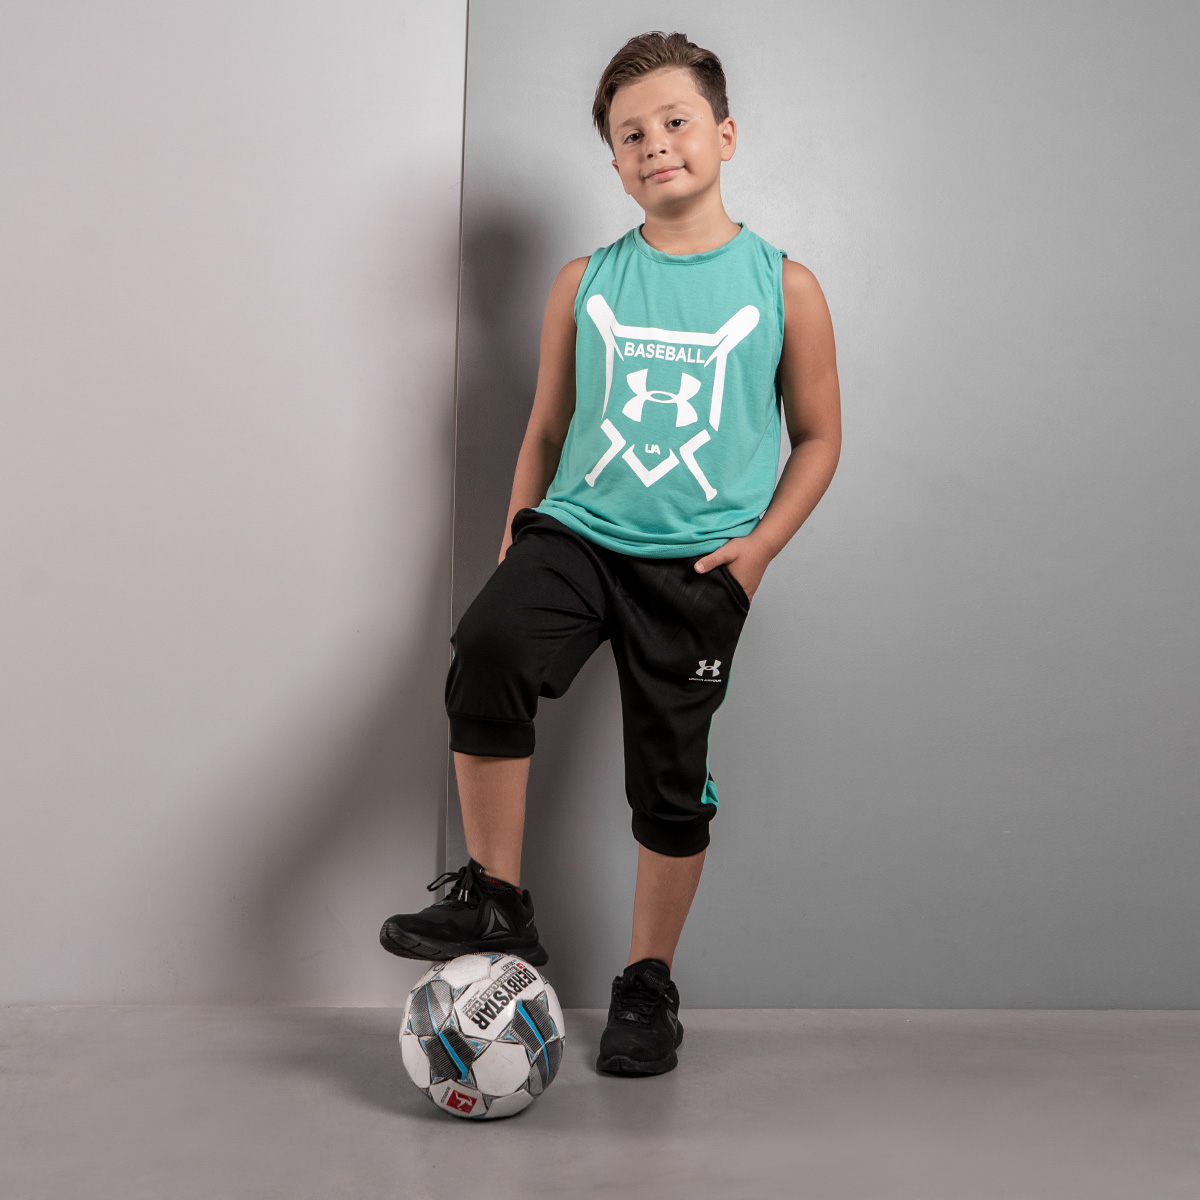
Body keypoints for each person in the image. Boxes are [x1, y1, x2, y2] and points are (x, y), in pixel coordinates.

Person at [380, 30, 841, 1077]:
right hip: (580, 532)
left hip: (698, 568)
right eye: (630, 135)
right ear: (617, 164)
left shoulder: (786, 287)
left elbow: (819, 437)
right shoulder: (585, 281)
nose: (655, 144)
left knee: (670, 783)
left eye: (675, 121)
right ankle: (498, 902)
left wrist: (761, 549)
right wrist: (518, 527)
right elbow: (547, 425)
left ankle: (647, 985)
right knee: (487, 646)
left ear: (725, 134)